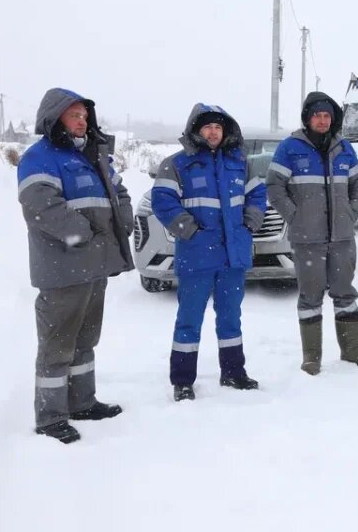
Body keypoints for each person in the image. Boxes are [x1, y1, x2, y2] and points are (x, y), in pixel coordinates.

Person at [17, 88, 135, 444]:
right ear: (55, 119)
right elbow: (42, 208)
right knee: (57, 346)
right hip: (63, 268)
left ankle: (82, 402)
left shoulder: (93, 156)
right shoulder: (39, 157)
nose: (82, 120)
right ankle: (51, 417)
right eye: (74, 114)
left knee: (85, 340)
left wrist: (122, 223)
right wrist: (86, 233)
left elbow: (121, 194)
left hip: (94, 266)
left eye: (85, 115)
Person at [151, 104, 267, 401]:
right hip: (197, 255)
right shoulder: (178, 163)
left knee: (230, 318)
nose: (213, 131)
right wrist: (189, 231)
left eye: (218, 126)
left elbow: (257, 194)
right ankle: (183, 380)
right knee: (189, 319)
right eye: (207, 127)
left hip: (233, 256)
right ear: (196, 130)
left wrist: (250, 223)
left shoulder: (241, 163)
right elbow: (163, 202)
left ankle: (233, 373)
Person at [266, 92, 358, 375]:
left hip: (342, 237)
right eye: (317, 115)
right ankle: (312, 357)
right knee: (310, 297)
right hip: (307, 239)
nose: (322, 120)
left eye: (327, 115)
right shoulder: (290, 148)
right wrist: (295, 216)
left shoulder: (344, 148)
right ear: (307, 118)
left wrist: (351, 214)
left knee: (345, 293)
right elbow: (274, 187)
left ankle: (352, 350)